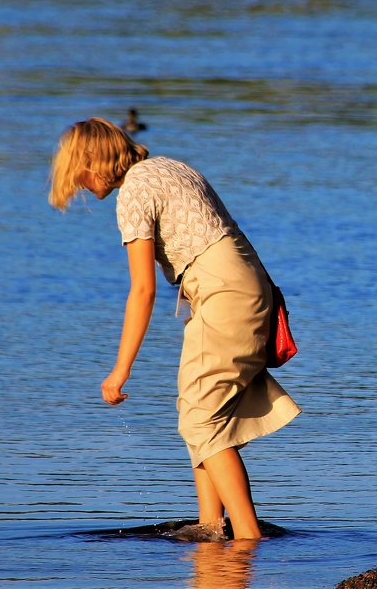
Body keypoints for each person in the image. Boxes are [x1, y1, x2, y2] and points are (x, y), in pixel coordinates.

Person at [48, 118, 301, 539]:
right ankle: (210, 528)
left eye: (77, 174)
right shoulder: (171, 167)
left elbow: (142, 290)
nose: (78, 186)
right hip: (249, 287)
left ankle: (245, 538)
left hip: (223, 295)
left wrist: (119, 371)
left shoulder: (133, 191)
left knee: (202, 420)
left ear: (92, 161)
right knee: (198, 413)